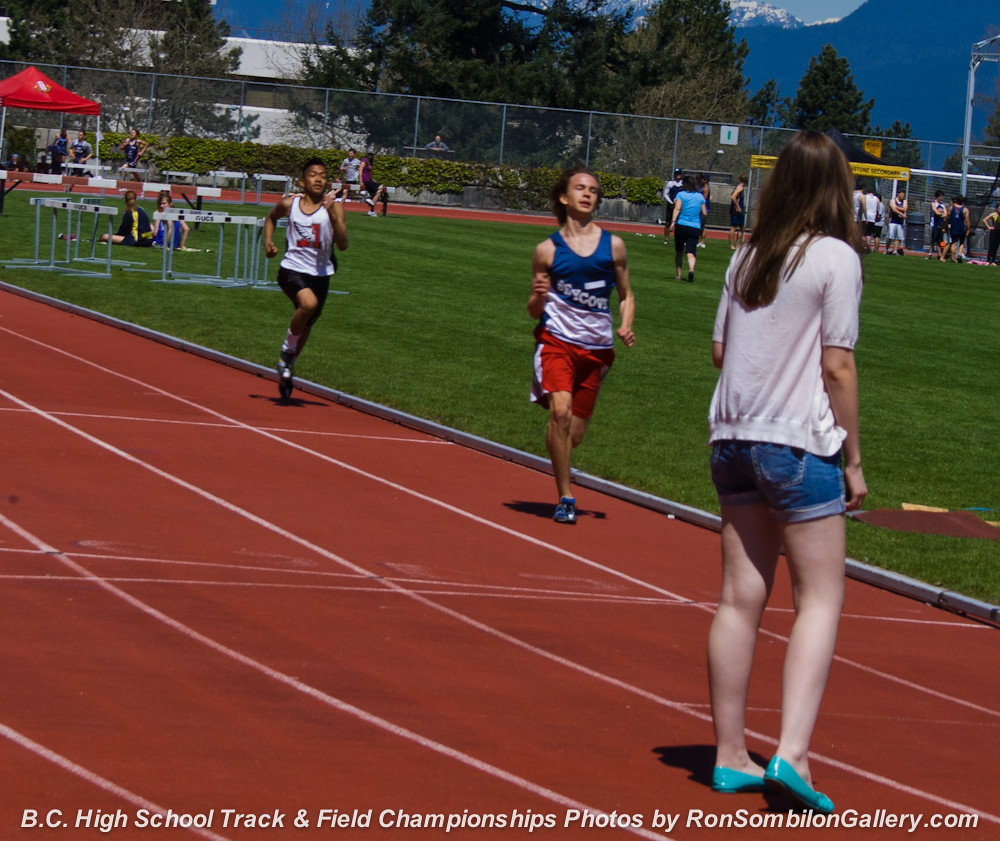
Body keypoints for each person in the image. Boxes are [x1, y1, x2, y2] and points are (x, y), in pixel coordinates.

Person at [705, 130, 866, 815]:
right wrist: (853, 458)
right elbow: (837, 365)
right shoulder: (836, 257)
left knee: (741, 597)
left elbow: (719, 349)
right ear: (837, 186)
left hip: (732, 438)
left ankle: (728, 752)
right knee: (820, 598)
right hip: (796, 445)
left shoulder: (745, 257)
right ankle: (792, 752)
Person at [528, 165, 635, 524]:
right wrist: (539, 298)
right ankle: (566, 496)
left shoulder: (613, 246)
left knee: (572, 434)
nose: (588, 194)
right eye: (580, 188)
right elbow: (533, 310)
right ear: (564, 197)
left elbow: (626, 295)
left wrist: (626, 325)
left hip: (597, 348)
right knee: (560, 412)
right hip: (557, 341)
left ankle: (559, 449)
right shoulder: (546, 250)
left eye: (593, 190)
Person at [263, 157, 349, 401]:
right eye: (313, 174)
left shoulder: (334, 207)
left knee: (307, 324)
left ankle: (287, 369)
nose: (318, 178)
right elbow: (270, 219)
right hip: (291, 270)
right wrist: (268, 243)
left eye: (322, 174)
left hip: (321, 274)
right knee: (308, 305)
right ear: (302, 181)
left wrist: (333, 215)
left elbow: (342, 245)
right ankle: (286, 352)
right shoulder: (289, 205)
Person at [669, 174, 707, 282]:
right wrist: (702, 225)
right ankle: (691, 269)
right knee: (691, 252)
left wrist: (673, 222)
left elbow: (677, 209)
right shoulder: (700, 197)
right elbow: (704, 213)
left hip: (681, 225)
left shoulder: (681, 194)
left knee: (679, 251)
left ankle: (678, 275)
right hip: (694, 226)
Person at [359, 151, 388, 217]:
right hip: (365, 180)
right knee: (380, 188)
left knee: (380, 190)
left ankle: (372, 209)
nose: (370, 156)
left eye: (371, 155)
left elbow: (369, 173)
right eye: (369, 154)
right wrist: (360, 180)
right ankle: (369, 198)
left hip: (369, 179)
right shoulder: (364, 160)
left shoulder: (370, 162)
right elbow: (360, 169)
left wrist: (373, 180)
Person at [943, 196, 970, 263]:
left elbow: (947, 218)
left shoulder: (952, 208)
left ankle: (953, 258)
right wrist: (968, 229)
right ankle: (959, 254)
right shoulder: (965, 209)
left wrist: (946, 226)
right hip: (961, 227)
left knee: (954, 242)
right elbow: (967, 220)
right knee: (962, 242)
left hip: (954, 227)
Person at [663, 167, 684, 245]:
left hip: (680, 206)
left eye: (679, 174)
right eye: (676, 174)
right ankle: (666, 239)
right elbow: (665, 194)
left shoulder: (683, 184)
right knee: (668, 223)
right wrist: (671, 202)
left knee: (679, 224)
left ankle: (679, 239)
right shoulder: (670, 183)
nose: (678, 175)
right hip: (671, 205)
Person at [886, 189, 907, 255]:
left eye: (904, 194)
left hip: (900, 222)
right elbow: (893, 209)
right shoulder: (893, 200)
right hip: (893, 221)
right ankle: (886, 249)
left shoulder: (904, 201)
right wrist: (902, 214)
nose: (903, 196)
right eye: (902, 194)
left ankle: (895, 250)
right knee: (890, 236)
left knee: (898, 237)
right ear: (898, 194)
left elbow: (904, 208)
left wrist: (896, 207)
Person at [729, 174, 747, 250]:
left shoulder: (740, 187)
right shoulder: (740, 188)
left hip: (739, 210)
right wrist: (738, 206)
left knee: (742, 227)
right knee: (734, 227)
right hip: (737, 210)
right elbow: (733, 196)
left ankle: (738, 245)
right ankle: (732, 244)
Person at [863, 187, 883, 253]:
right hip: (872, 217)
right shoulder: (876, 199)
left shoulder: (865, 197)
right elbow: (878, 208)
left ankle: (863, 246)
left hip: (864, 216)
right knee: (869, 233)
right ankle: (868, 246)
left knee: (863, 233)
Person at [928, 191, 947, 259]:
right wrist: (942, 214)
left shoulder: (943, 205)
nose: (942, 198)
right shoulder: (933, 204)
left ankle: (940, 254)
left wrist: (942, 214)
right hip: (934, 224)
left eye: (942, 196)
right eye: (941, 196)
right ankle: (930, 253)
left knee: (941, 240)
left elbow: (946, 214)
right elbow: (936, 212)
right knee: (933, 240)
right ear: (937, 196)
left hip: (941, 225)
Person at [698, 174, 711, 248]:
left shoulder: (706, 188)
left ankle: (702, 242)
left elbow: (703, 200)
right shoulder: (702, 187)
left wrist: (700, 209)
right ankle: (700, 241)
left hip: (703, 209)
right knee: (701, 225)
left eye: (702, 179)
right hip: (701, 208)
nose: (701, 180)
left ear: (705, 180)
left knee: (701, 225)